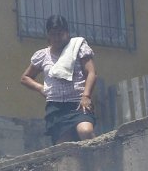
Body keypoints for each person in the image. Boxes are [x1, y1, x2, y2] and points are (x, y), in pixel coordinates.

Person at [20, 15, 97, 143]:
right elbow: (25, 78)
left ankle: (101, 153)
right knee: (65, 147)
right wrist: (41, 88)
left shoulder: (78, 48)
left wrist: (86, 96)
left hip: (78, 102)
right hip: (56, 108)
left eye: (60, 34)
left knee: (85, 131)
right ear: (48, 35)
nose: (56, 38)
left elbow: (91, 73)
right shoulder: (43, 55)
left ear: (67, 33)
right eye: (53, 34)